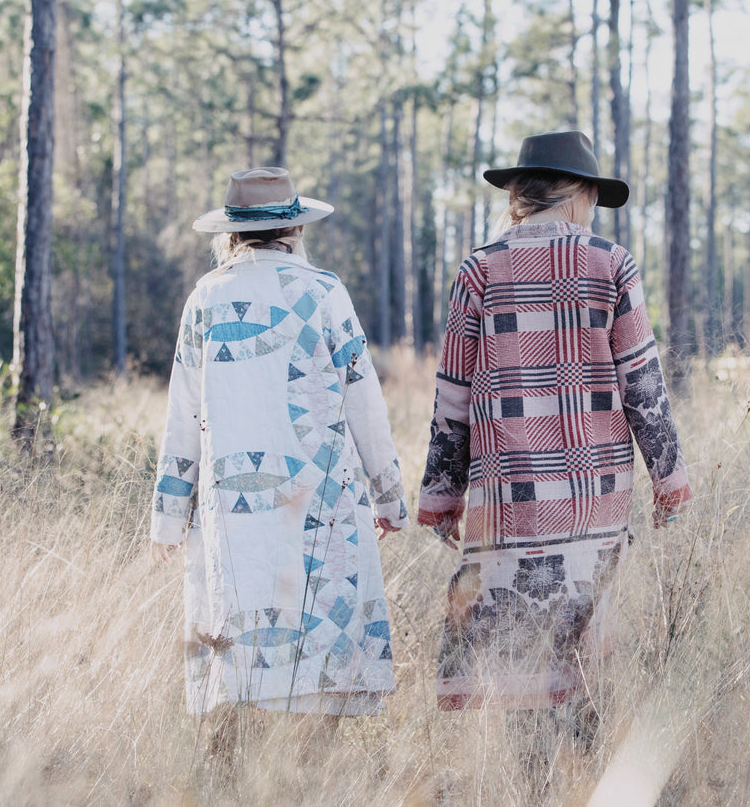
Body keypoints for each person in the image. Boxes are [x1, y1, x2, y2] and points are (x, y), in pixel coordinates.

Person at [417, 130, 691, 763]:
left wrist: (441, 497)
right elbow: (642, 386)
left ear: (521, 197)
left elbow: (452, 399)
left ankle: (529, 780)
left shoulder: (479, 270)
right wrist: (669, 481)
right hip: (595, 497)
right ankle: (584, 774)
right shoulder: (611, 263)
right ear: (579, 196)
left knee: (518, 655)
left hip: (507, 498)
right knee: (586, 646)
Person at [149, 166, 408, 726]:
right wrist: (389, 497)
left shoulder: (206, 299)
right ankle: (307, 780)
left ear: (232, 234)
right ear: (294, 230)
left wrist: (167, 521)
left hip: (234, 513)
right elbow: (365, 402)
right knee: (323, 649)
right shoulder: (325, 292)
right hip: (322, 506)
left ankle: (250, 778)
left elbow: (182, 418)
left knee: (242, 658)